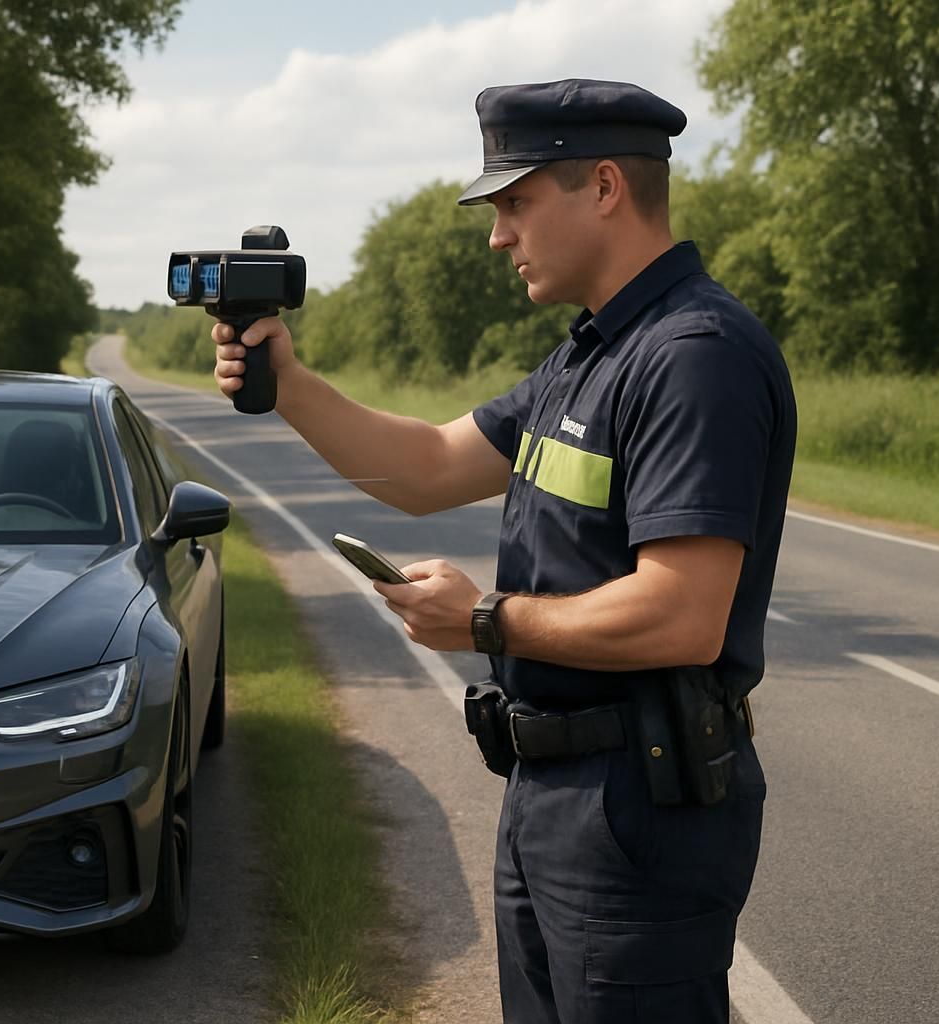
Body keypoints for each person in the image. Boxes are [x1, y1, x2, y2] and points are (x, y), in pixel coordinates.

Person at [210, 79, 796, 1024]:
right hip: (551, 794)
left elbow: (684, 615)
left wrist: (485, 619)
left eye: (516, 202)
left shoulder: (695, 354)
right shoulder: (593, 353)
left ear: (604, 185)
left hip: (638, 807)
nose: (497, 234)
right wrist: (290, 385)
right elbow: (431, 466)